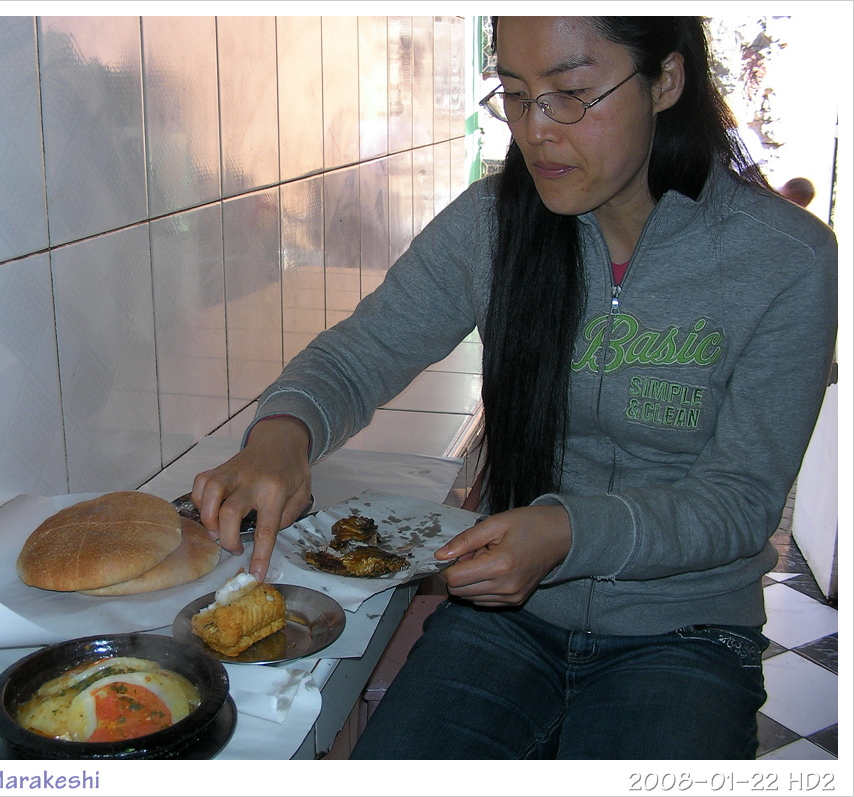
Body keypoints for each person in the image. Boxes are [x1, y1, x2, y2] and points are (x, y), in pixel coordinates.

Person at [191, 16, 837, 759]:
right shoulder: (491, 224)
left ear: (665, 79)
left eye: (570, 93)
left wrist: (566, 532)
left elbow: (740, 501)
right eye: (517, 95)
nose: (536, 131)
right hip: (511, 618)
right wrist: (283, 435)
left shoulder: (787, 259)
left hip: (684, 631)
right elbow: (359, 354)